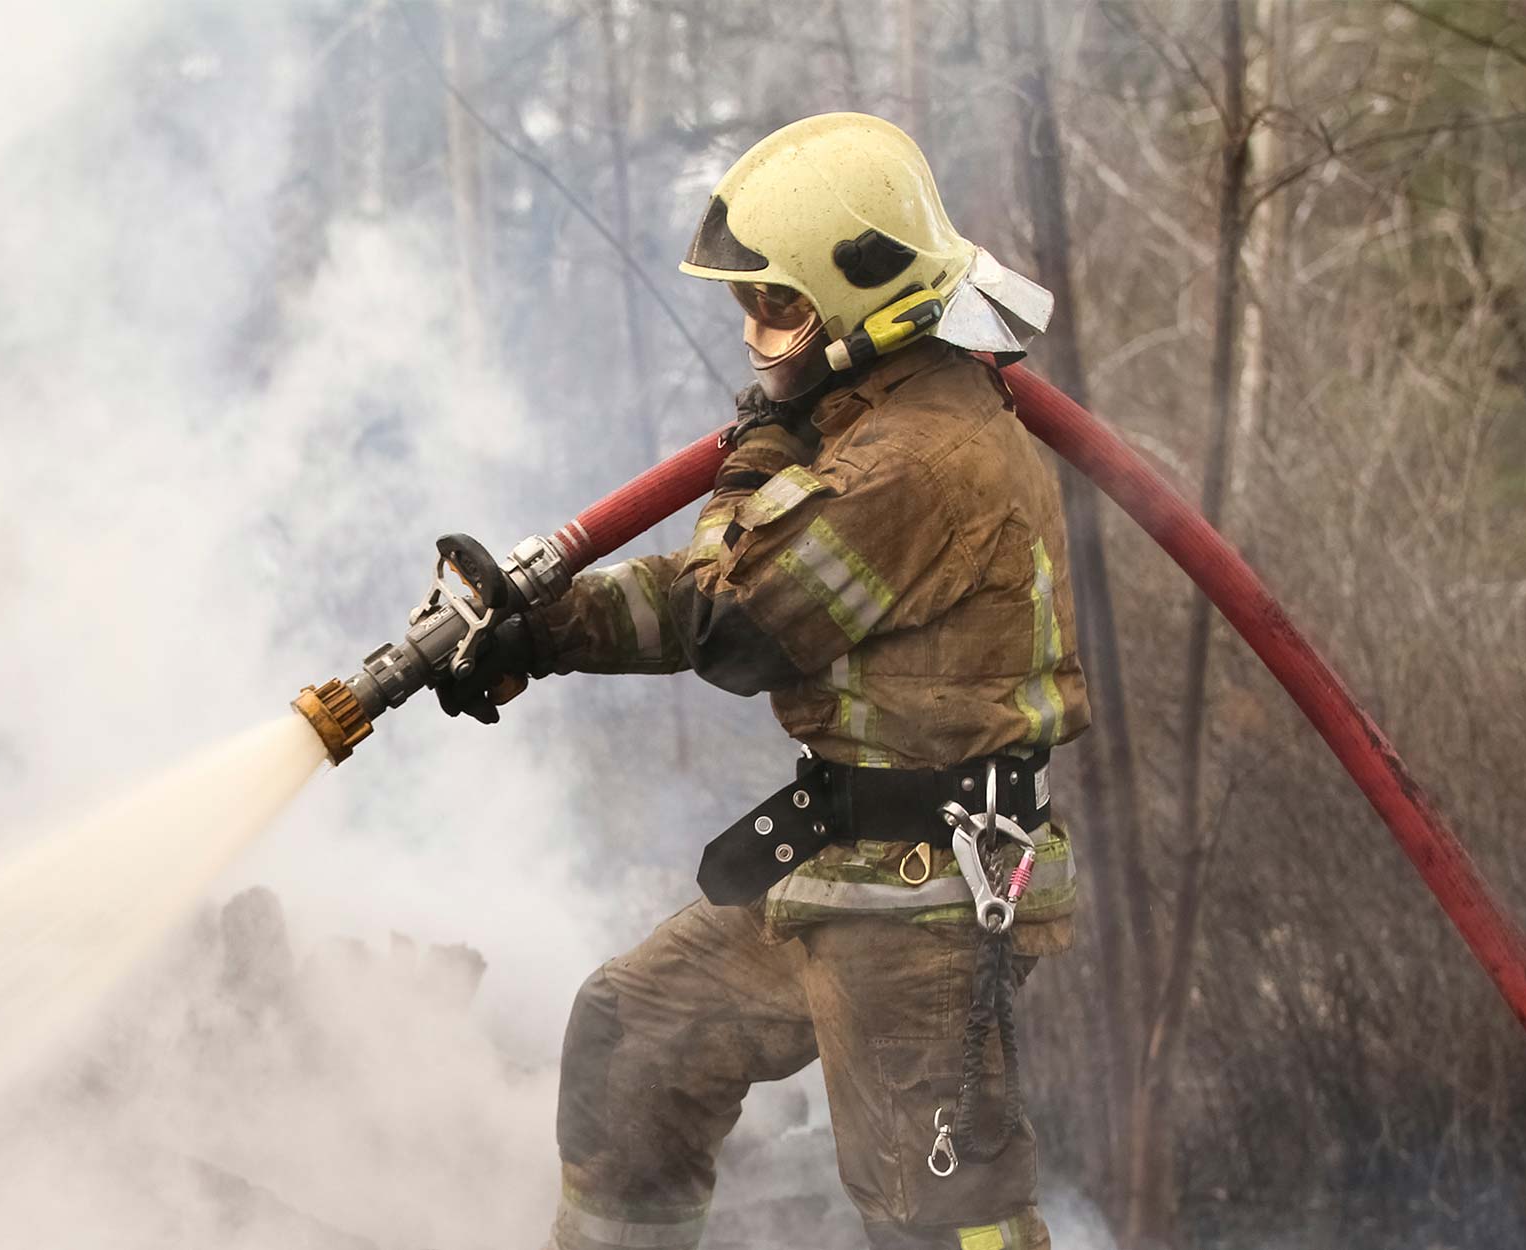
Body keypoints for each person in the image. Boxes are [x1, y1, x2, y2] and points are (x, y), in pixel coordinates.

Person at [463, 112, 1088, 1250]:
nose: (758, 333)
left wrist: (751, 459)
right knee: (638, 1036)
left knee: (936, 1215)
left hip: (928, 898)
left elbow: (736, 620)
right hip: (847, 861)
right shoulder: (867, 421)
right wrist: (533, 625)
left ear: (870, 302)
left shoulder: (918, 459)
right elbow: (723, 586)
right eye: (752, 303)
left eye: (781, 303)